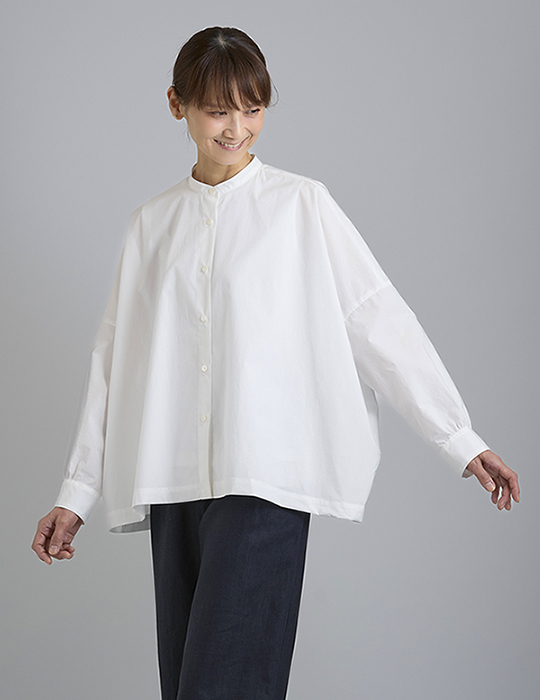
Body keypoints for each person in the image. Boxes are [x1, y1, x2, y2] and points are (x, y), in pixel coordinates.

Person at [32, 25, 520, 700]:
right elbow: (114, 361)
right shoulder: (151, 224)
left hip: (265, 478)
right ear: (176, 105)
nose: (236, 128)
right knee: (185, 686)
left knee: (224, 686)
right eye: (217, 110)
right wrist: (76, 492)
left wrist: (457, 437)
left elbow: (375, 319)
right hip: (172, 482)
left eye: (253, 108)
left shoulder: (301, 206)